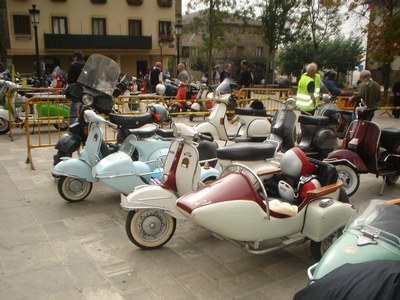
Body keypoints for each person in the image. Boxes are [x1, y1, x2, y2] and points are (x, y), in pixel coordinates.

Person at [67, 50, 85, 124]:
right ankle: (84, 126)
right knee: (84, 109)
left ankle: (73, 127)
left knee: (73, 110)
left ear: (75, 57)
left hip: (76, 90)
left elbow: (70, 79)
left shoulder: (74, 65)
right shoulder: (87, 65)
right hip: (86, 90)